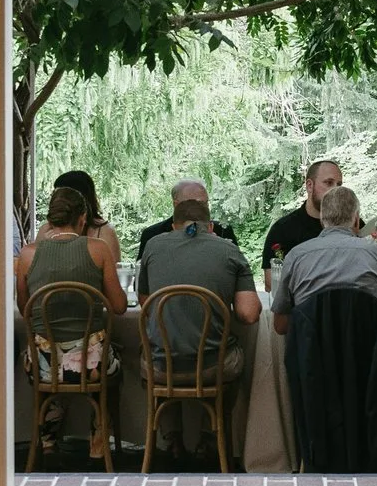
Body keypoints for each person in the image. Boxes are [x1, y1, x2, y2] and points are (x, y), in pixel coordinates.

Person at [138, 193, 261, 461]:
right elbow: (249, 314)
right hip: (212, 367)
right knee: (237, 355)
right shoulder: (229, 250)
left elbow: (145, 303)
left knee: (156, 346)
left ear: (173, 225)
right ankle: (211, 435)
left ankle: (171, 438)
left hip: (162, 368)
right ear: (211, 227)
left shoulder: (153, 246)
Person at [14, 185, 128, 461]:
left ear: (50, 220)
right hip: (92, 364)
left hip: (45, 364)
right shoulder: (99, 249)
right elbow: (120, 307)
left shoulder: (28, 255)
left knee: (44, 355)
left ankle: (48, 442)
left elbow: (24, 308)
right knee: (116, 364)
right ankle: (99, 445)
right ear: (83, 219)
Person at [270, 185, 377, 336]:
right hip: (370, 356)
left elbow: (280, 326)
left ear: (322, 219)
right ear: (356, 219)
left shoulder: (295, 256)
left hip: (312, 357)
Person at [262, 159, 344, 275]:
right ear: (309, 186)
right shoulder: (282, 230)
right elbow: (272, 281)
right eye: (329, 183)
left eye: (339, 185)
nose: (336, 190)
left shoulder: (352, 225)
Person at [36, 170, 122, 264]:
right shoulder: (45, 230)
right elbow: (32, 271)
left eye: (62, 195)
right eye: (55, 194)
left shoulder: (104, 231)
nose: (57, 199)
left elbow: (115, 272)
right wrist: (45, 248)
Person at [136, 179, 238, 256]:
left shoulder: (223, 231)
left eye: (205, 203)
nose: (203, 208)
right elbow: (140, 279)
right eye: (195, 204)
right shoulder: (153, 234)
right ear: (176, 205)